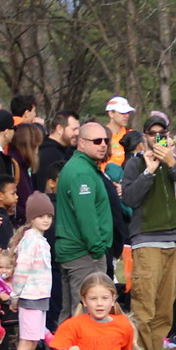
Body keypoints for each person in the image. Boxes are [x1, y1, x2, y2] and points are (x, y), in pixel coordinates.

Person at [119, 126, 176, 350]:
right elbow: (130, 199)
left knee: (165, 306)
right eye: (152, 133)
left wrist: (171, 163)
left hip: (173, 240)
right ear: (145, 136)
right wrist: (150, 171)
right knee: (144, 303)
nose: (157, 137)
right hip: (146, 240)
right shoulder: (135, 163)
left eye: (162, 132)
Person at [54, 122, 114, 315]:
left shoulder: (83, 167)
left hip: (77, 251)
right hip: (84, 253)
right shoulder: (81, 172)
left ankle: (63, 346)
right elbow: (86, 216)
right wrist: (97, 249)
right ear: (81, 143)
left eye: (105, 140)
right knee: (86, 314)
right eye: (96, 141)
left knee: (72, 313)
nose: (103, 144)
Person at [8, 193, 55, 350]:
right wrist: (15, 296)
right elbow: (21, 270)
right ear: (31, 217)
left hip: (39, 297)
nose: (46, 220)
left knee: (32, 343)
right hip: (30, 297)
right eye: (41, 215)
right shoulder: (30, 241)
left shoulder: (39, 240)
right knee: (27, 343)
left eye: (49, 216)